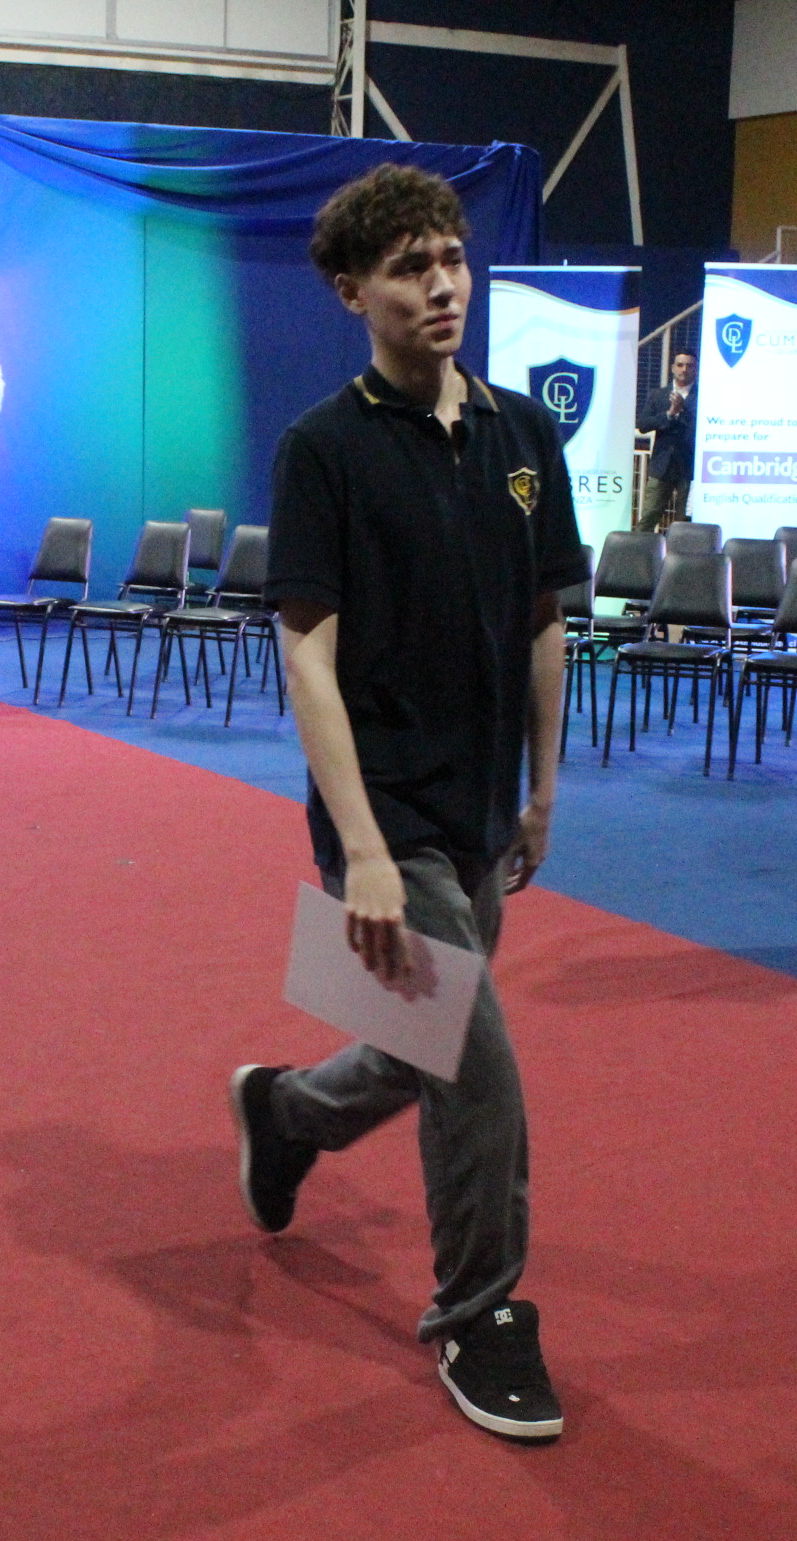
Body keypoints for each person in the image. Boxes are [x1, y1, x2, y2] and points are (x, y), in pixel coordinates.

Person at [229, 164, 581, 1443]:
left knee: (421, 1037)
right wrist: (365, 852)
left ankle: (284, 1112)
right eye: (409, 268)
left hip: (484, 806)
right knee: (476, 1058)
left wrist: (543, 794)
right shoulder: (322, 449)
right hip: (384, 819)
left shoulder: (524, 436)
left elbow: (545, 624)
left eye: (452, 259)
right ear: (351, 293)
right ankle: (481, 1313)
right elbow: (307, 656)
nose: (443, 286)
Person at [635, 348, 696, 529]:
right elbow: (643, 425)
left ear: (696, 369)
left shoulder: (704, 397)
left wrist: (683, 411)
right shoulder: (658, 395)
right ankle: (638, 548)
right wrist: (669, 414)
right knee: (648, 517)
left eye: (689, 366)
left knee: (685, 522)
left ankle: (680, 549)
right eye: (680, 365)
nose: (684, 369)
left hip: (690, 469)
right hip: (662, 465)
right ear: (672, 368)